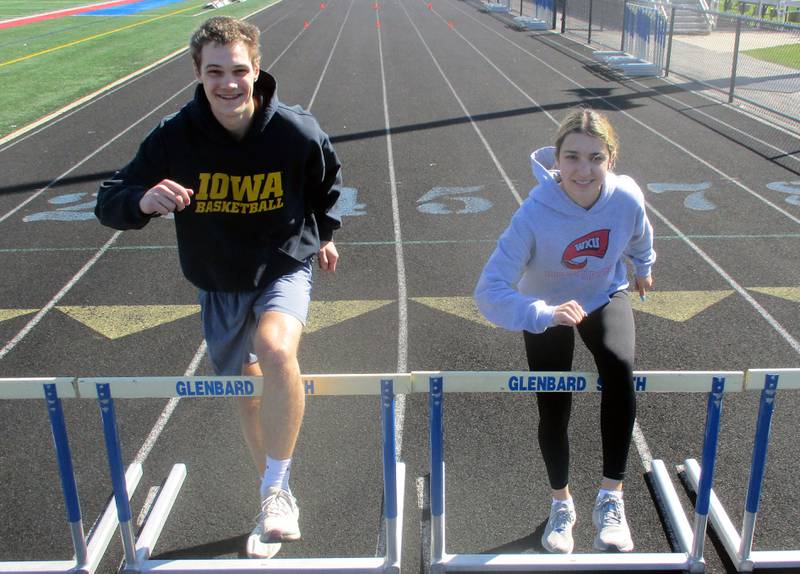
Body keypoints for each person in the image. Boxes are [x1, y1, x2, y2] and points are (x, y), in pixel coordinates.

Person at [95, 16, 342, 559]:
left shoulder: (295, 132)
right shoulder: (174, 136)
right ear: (197, 73)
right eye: (215, 72)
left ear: (257, 71)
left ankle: (276, 491)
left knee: (278, 350)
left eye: (238, 71)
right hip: (218, 279)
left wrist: (319, 235)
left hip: (282, 265)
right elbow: (109, 198)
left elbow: (330, 189)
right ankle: (274, 490)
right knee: (247, 396)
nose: (228, 84)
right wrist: (142, 201)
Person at [474, 108, 655, 554]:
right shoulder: (533, 214)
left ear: (610, 159)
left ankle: (610, 497)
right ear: (557, 159)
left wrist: (644, 266)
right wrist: (542, 314)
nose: (583, 169)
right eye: (572, 157)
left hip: (602, 294)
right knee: (554, 405)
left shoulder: (626, 197)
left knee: (619, 365)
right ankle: (562, 504)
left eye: (595, 157)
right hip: (548, 307)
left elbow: (640, 234)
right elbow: (489, 292)